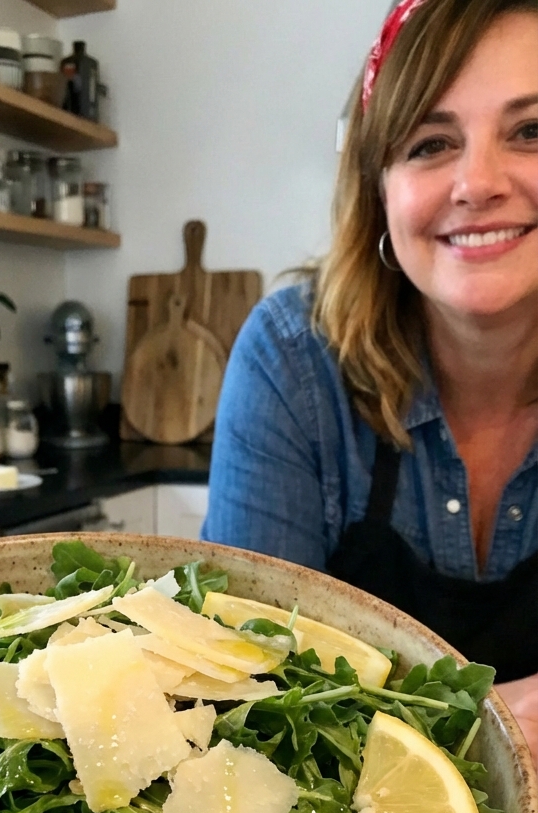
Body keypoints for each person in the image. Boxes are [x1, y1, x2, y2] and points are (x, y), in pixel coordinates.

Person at [204, 0, 538, 766]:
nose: (477, 182)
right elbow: (235, 699)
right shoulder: (293, 360)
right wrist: (501, 730)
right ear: (378, 193)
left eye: (531, 131)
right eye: (430, 142)